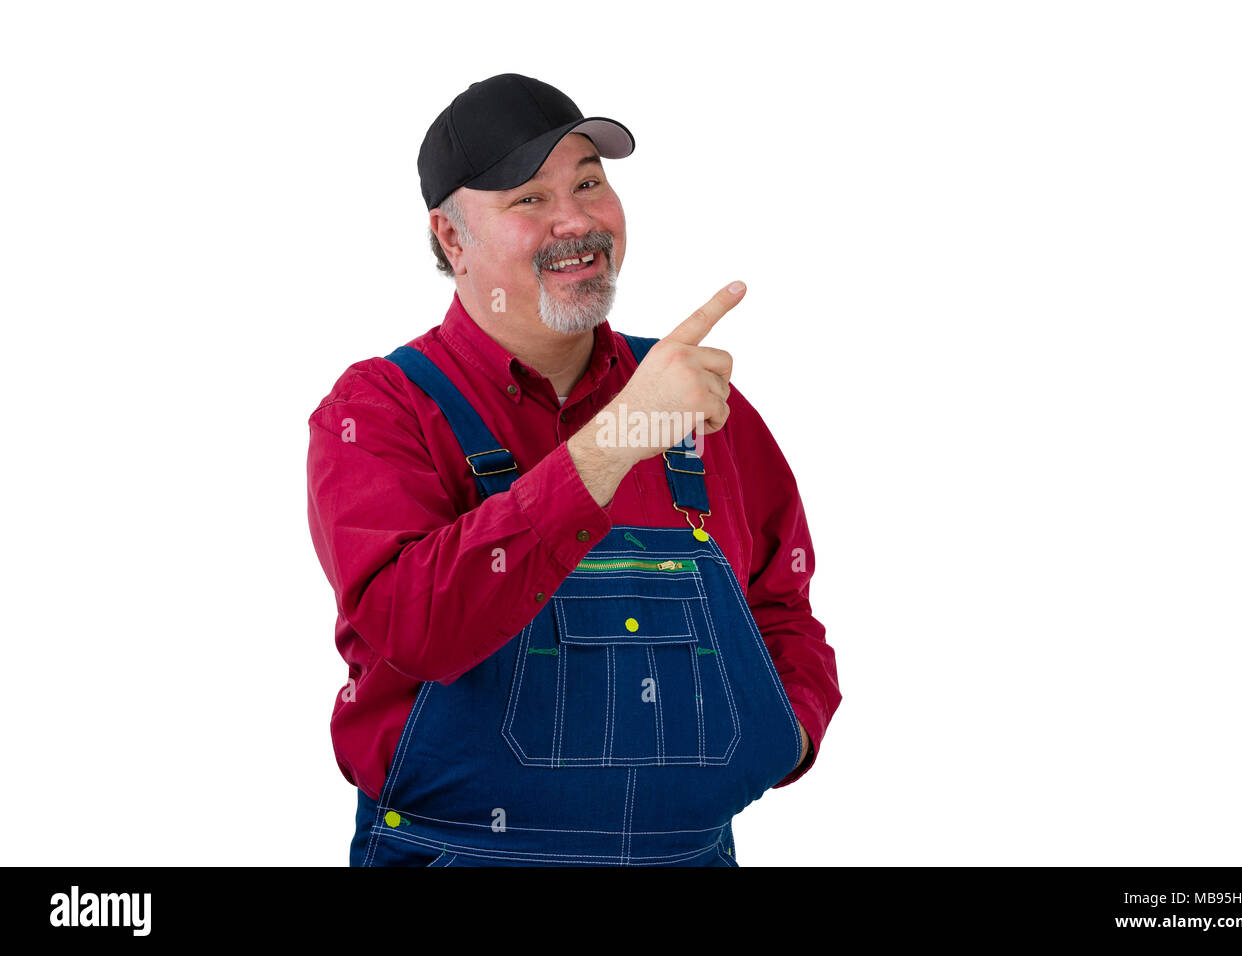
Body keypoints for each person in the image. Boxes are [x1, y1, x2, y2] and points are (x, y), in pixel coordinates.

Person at [306, 73, 841, 866]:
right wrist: (617, 438)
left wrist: (785, 737)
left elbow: (781, 603)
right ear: (452, 239)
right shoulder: (380, 411)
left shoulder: (701, 402)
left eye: (589, 182)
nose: (577, 220)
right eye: (528, 198)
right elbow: (414, 628)